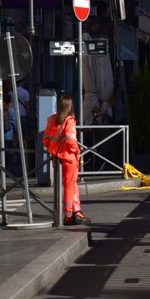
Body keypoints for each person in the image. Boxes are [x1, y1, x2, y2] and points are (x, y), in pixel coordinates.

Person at [44, 94, 86, 224]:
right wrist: (76, 151)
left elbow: (45, 140)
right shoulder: (69, 120)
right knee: (70, 185)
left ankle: (76, 211)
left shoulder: (52, 120)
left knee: (71, 184)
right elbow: (71, 140)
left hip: (57, 157)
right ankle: (69, 214)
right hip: (68, 156)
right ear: (69, 106)